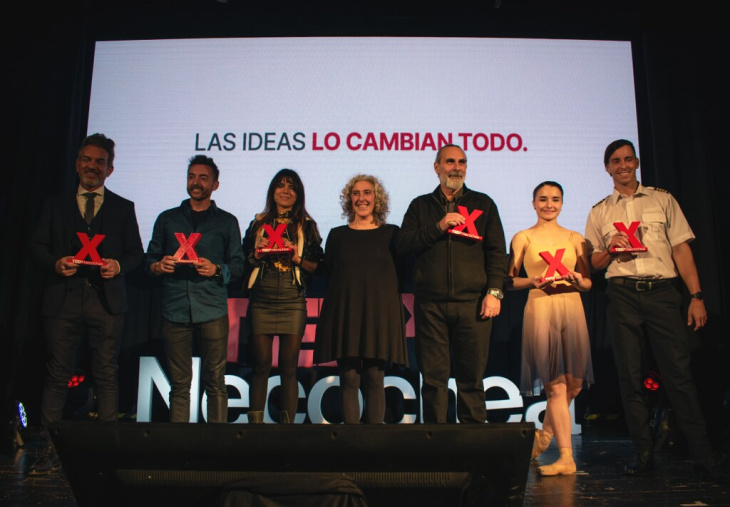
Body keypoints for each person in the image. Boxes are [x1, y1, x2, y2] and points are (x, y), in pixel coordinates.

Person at [585, 139, 715, 478]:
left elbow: (682, 251)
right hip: (622, 295)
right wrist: (611, 249)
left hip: (662, 294)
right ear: (607, 168)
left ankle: (703, 456)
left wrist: (696, 296)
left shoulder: (662, 199)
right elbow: (593, 263)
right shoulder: (600, 211)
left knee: (679, 376)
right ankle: (643, 456)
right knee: (630, 377)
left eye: (628, 159)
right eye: (616, 161)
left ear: (637, 162)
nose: (623, 165)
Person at [28, 133, 144, 474]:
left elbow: (135, 253)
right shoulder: (54, 205)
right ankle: (48, 449)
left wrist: (117, 266)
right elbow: (35, 246)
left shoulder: (123, 207)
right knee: (57, 374)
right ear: (78, 164)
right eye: (88, 160)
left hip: (106, 303)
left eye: (100, 162)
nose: (93, 166)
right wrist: (55, 263)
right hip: (62, 299)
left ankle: (108, 451)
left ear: (110, 170)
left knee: (106, 373)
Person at [396, 144, 508, 423]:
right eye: (450, 162)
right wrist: (439, 226)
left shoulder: (483, 204)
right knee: (433, 380)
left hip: (473, 304)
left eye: (462, 162)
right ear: (437, 167)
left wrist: (494, 292)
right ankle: (435, 442)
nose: (456, 167)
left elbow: (497, 253)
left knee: (471, 379)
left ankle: (473, 443)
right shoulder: (420, 205)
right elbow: (403, 244)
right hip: (430, 306)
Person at [147, 155, 244, 423]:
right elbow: (149, 260)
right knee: (179, 385)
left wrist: (216, 270)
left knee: (216, 382)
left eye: (203, 177)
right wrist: (158, 266)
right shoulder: (167, 219)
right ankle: (179, 444)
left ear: (215, 185)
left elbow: (238, 265)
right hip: (174, 308)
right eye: (192, 176)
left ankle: (217, 443)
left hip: (212, 308)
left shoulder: (227, 221)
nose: (196, 182)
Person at [506, 181, 593, 476]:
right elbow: (510, 280)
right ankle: (566, 457)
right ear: (533, 203)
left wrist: (579, 281)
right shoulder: (523, 237)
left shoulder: (575, 238)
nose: (549, 204)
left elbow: (587, 282)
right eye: (542, 199)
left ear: (562, 203)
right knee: (555, 385)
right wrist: (532, 280)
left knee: (574, 385)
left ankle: (543, 437)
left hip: (572, 307)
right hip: (541, 306)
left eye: (555, 199)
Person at [314, 174, 408, 424]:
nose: (361, 198)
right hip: (347, 313)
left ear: (377, 199)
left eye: (367, 193)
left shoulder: (392, 234)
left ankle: (373, 441)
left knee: (375, 377)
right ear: (349, 199)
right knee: (349, 378)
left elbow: (400, 272)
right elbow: (332, 273)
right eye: (356, 193)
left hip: (379, 314)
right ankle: (351, 441)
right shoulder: (337, 235)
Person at [242, 169, 323, 424]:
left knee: (289, 367)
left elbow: (319, 266)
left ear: (298, 194)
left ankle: (287, 431)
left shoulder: (306, 225)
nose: (285, 191)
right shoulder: (258, 223)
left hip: (292, 300)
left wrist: (297, 258)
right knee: (261, 366)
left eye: (291, 187)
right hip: (261, 299)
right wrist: (257, 254)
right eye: (280, 185)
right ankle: (255, 430)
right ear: (272, 191)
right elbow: (243, 259)